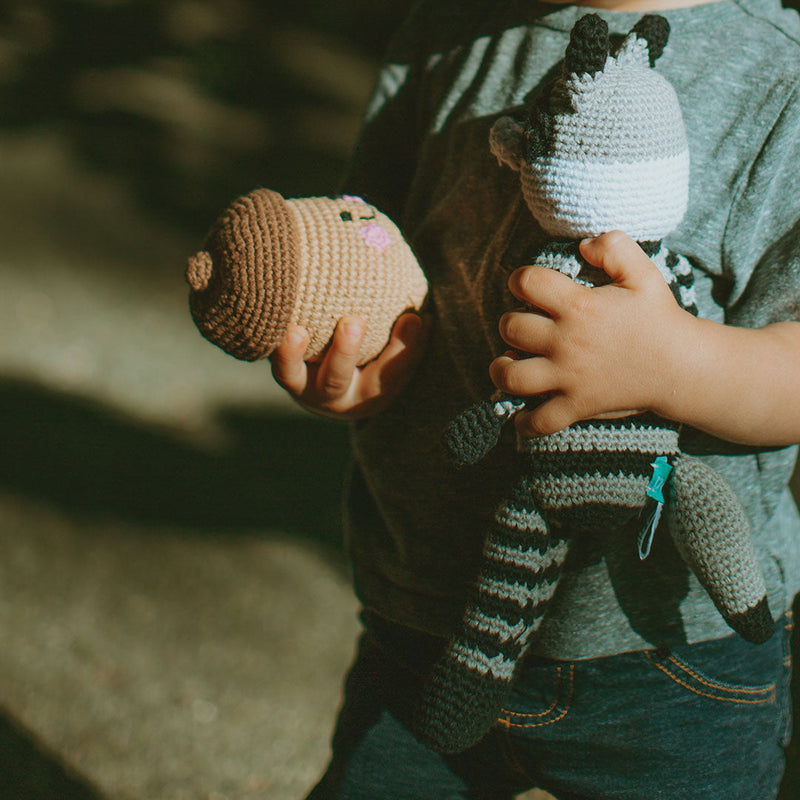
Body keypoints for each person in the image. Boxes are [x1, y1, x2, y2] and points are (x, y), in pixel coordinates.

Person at [271, 0, 800, 797]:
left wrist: (677, 364)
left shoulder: (778, 79)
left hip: (667, 656)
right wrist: (354, 367)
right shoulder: (444, 32)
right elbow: (373, 249)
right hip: (427, 618)